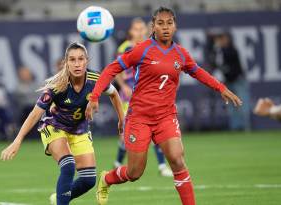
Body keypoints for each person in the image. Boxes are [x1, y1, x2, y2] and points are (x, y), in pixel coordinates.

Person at [85, 7, 242, 205]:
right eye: (161, 23)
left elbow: (198, 72)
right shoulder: (142, 49)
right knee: (134, 172)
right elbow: (111, 68)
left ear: (175, 26)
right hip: (139, 118)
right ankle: (107, 178)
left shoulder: (180, 54)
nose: (165, 27)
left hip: (166, 117)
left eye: (169, 23)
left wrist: (221, 88)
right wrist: (95, 96)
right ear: (153, 27)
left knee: (177, 159)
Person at [0, 42, 125, 205]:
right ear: (66, 63)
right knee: (68, 165)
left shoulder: (96, 79)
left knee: (88, 180)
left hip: (79, 129)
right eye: (72, 60)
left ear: (87, 61)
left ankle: (58, 199)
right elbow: (35, 113)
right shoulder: (57, 84)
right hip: (54, 127)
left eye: (81, 59)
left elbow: (114, 94)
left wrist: (122, 120)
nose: (77, 63)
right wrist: (17, 140)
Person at [114, 17, 172, 177]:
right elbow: (117, 70)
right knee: (125, 136)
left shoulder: (151, 47)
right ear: (131, 32)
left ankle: (161, 166)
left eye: (141, 29)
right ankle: (118, 163)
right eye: (136, 29)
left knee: (155, 131)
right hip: (128, 97)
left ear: (146, 30)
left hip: (148, 97)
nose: (139, 32)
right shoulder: (125, 48)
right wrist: (124, 86)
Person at [213, 32, 251, 131]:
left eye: (222, 39)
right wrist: (217, 49)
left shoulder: (231, 50)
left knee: (242, 103)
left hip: (238, 80)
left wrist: (218, 49)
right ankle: (236, 128)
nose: (220, 41)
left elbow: (226, 58)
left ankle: (246, 127)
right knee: (231, 106)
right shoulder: (219, 51)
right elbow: (215, 63)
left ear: (227, 39)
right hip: (228, 81)